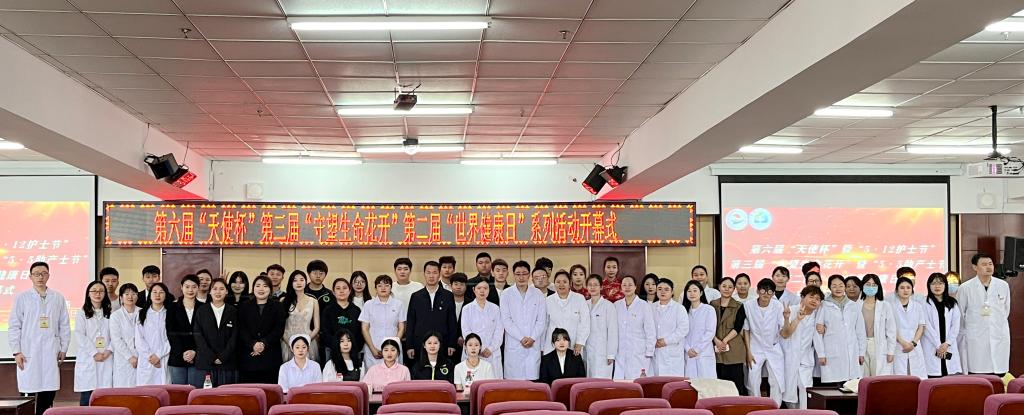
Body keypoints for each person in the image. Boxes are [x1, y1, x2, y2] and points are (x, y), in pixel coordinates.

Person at [10, 262, 70, 415]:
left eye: (43, 273)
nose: (40, 277)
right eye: (36, 274)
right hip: (28, 351)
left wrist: (63, 349)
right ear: (30, 277)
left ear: (48, 275)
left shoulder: (58, 298)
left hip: (51, 351)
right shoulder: (22, 298)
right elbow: (14, 326)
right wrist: (16, 351)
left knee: (48, 392)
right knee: (28, 393)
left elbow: (64, 325)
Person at [958, 253, 1011, 376]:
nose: (988, 267)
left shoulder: (1003, 285)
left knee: (998, 372)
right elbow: (960, 314)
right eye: (984, 264)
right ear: (975, 267)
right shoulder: (965, 288)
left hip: (998, 334)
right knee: (977, 371)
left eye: (990, 264)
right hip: (976, 337)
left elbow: (1006, 310)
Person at [500, 260, 547, 380]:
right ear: (513, 275)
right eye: (518, 274)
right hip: (514, 343)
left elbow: (541, 320)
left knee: (532, 382)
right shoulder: (506, 294)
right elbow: (506, 320)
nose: (521, 277)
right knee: (514, 383)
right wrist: (521, 337)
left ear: (529, 275)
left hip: (533, 342)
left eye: (524, 273)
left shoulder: (538, 294)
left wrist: (532, 338)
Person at [814, 275, 865, 385]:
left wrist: (861, 352)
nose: (838, 289)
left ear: (845, 287)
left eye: (841, 285)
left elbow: (860, 331)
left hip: (852, 352)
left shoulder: (854, 306)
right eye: (834, 286)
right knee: (833, 386)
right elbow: (817, 332)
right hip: (831, 352)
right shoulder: (824, 305)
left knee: (851, 386)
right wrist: (821, 354)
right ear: (829, 288)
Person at [743, 278, 785, 406]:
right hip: (755, 347)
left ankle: (775, 407)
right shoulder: (748, 305)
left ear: (773, 293)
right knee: (753, 379)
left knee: (776, 379)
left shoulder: (778, 306)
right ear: (757, 291)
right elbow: (746, 330)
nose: (766, 294)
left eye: (769, 291)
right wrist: (748, 351)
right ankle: (755, 406)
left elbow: (783, 328)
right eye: (763, 290)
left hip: (773, 346)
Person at [781, 286, 825, 409]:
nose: (814, 300)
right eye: (811, 297)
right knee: (789, 391)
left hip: (806, 358)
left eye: (817, 299)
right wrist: (795, 319)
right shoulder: (790, 311)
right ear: (802, 297)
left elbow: (817, 336)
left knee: (805, 388)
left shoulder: (817, 315)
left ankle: (805, 411)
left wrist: (821, 355)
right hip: (788, 357)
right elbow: (785, 334)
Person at [406, 261, 459, 362]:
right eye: (428, 272)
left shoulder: (448, 296)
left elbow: (452, 322)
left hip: (443, 343)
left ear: (439, 274)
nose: (431, 276)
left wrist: (452, 344)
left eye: (434, 272)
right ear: (424, 274)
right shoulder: (416, 296)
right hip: (420, 344)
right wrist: (409, 346)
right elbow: (411, 322)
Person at [238, 275, 287, 383]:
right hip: (249, 356)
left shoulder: (278, 306)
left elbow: (279, 329)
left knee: (270, 390)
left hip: (270, 356)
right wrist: (253, 344)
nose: (261, 289)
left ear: (270, 289)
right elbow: (241, 329)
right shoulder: (244, 306)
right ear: (253, 288)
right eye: (258, 285)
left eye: (265, 286)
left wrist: (263, 343)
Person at [194, 278, 239, 386]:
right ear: (210, 291)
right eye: (215, 289)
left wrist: (223, 356)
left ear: (226, 291)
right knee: (206, 395)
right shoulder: (201, 310)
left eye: (221, 289)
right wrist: (212, 357)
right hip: (206, 362)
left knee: (226, 394)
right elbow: (198, 335)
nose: (218, 292)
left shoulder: (233, 311)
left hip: (228, 362)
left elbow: (235, 336)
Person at [74, 281, 113, 405]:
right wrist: (94, 353)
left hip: (107, 357)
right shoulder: (81, 313)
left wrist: (108, 351)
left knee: (105, 396)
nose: (98, 294)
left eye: (101, 291)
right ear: (88, 294)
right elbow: (80, 335)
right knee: (87, 396)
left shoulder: (111, 313)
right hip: (88, 357)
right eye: (94, 291)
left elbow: (115, 336)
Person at [360, 275, 407, 369]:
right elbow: (364, 329)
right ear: (375, 288)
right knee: (373, 375)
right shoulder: (368, 304)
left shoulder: (398, 304)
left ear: (391, 287)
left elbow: (401, 328)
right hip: (373, 348)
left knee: (394, 374)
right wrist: (372, 349)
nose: (383, 288)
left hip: (394, 348)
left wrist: (393, 346)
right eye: (379, 285)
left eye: (386, 285)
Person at [614, 275, 656, 379]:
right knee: (620, 382)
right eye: (624, 285)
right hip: (620, 352)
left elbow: (650, 331)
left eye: (630, 285)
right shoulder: (616, 305)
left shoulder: (644, 306)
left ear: (635, 287)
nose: (627, 287)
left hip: (639, 352)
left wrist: (649, 352)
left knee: (637, 381)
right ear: (621, 287)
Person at [461, 278, 504, 378]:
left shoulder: (495, 308)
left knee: (492, 382)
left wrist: (490, 348)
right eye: (479, 288)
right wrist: (477, 348)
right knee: (472, 382)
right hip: (473, 351)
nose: (482, 291)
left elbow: (499, 331)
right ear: (474, 290)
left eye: (485, 288)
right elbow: (466, 331)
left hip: (492, 353)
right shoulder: (467, 309)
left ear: (489, 290)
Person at [712, 277, 748, 395]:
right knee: (719, 383)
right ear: (719, 287)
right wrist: (716, 340)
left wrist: (724, 341)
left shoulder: (739, 306)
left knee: (736, 383)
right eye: (724, 286)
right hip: (716, 347)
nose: (726, 289)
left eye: (730, 287)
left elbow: (738, 327)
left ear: (734, 289)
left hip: (734, 348)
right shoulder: (712, 304)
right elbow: (708, 326)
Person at [923, 273, 962, 377]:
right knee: (933, 377)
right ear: (929, 286)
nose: (937, 286)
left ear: (945, 285)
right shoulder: (923, 303)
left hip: (948, 345)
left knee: (949, 377)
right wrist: (938, 345)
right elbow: (926, 326)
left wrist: (947, 343)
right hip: (931, 345)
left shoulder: (952, 303)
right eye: (933, 283)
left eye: (940, 283)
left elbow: (955, 325)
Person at [167, 274, 202, 388]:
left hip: (198, 357)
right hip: (177, 356)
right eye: (187, 287)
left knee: (196, 392)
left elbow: (205, 333)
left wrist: (194, 351)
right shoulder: (172, 307)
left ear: (198, 288)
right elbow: (171, 332)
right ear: (181, 287)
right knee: (179, 393)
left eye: (194, 287)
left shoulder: (204, 308)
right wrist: (183, 352)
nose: (190, 290)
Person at [544, 271, 590, 355]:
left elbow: (585, 322)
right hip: (552, 344)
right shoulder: (548, 300)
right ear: (554, 284)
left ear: (570, 283)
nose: (561, 284)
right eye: (558, 282)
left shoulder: (579, 299)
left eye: (565, 282)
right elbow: (545, 324)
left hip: (574, 345)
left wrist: (580, 342)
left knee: (572, 363)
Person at [321, 278, 364, 367]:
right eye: (338, 288)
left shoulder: (356, 310)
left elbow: (360, 333)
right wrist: (337, 346)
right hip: (332, 350)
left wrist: (353, 347)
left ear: (350, 291)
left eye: (344, 288)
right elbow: (325, 332)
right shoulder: (328, 310)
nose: (341, 291)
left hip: (353, 351)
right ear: (333, 292)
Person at [860, 274, 896, 377]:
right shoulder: (856, 306)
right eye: (868, 284)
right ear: (862, 286)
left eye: (874, 285)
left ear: (878, 287)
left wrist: (890, 351)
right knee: (863, 377)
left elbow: (891, 330)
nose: (871, 287)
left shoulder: (885, 306)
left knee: (877, 378)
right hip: (861, 344)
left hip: (878, 344)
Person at [136, 282, 170, 386]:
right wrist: (151, 356)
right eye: (154, 292)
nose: (157, 295)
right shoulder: (142, 314)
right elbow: (139, 339)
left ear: (166, 295)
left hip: (164, 358)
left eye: (161, 292)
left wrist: (158, 355)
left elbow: (171, 338)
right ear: (150, 295)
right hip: (147, 360)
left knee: (164, 389)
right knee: (145, 391)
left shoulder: (170, 313)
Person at [892, 277, 927, 379]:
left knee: (917, 377)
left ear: (912, 290)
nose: (905, 290)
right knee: (899, 378)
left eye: (908, 287)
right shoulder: (891, 307)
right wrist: (903, 343)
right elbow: (891, 328)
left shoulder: (918, 306)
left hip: (914, 345)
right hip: (898, 345)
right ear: (897, 290)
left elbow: (921, 327)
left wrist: (913, 343)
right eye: (902, 287)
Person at [652, 279, 688, 376]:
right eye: (659, 289)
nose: (662, 292)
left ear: (672, 292)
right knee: (656, 381)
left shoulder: (679, 308)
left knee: (672, 382)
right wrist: (653, 340)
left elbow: (683, 329)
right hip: (656, 350)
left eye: (666, 289)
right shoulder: (651, 307)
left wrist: (665, 341)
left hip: (672, 351)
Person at [282, 270, 320, 361]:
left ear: (306, 282)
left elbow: (317, 327)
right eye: (295, 280)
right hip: (288, 341)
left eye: (302, 280)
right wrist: (290, 342)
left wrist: (306, 340)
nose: (299, 283)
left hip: (308, 340)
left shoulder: (313, 301)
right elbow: (280, 325)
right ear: (291, 283)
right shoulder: (284, 300)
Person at [584, 275, 617, 378]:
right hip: (587, 349)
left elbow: (613, 331)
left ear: (601, 287)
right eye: (590, 285)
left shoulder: (608, 306)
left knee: (602, 381)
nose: (592, 287)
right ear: (586, 287)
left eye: (595, 285)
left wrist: (611, 354)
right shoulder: (584, 304)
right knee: (587, 380)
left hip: (603, 351)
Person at [682, 280, 715, 379]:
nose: (692, 293)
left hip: (704, 353)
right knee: (690, 382)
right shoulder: (683, 311)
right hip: (688, 353)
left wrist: (697, 349)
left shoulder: (709, 309)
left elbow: (710, 332)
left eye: (695, 290)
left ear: (701, 293)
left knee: (706, 383)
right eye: (689, 291)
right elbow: (681, 333)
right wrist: (688, 349)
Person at [110, 283, 140, 388]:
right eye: (127, 294)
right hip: (123, 359)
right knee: (123, 390)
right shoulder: (115, 316)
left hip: (142, 358)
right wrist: (130, 357)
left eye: (134, 294)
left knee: (141, 390)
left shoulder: (143, 313)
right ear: (121, 297)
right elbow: (116, 339)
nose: (130, 297)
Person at [450, 272, 468, 361]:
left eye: (461, 284)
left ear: (466, 286)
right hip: (449, 344)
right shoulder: (445, 302)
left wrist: (463, 336)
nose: (458, 287)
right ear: (451, 286)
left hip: (466, 343)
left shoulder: (470, 303)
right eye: (456, 284)